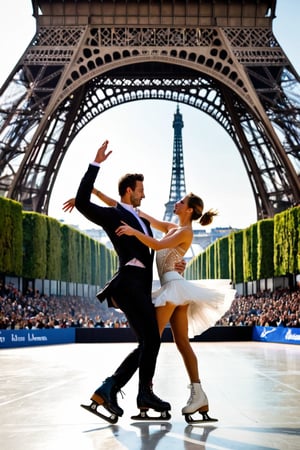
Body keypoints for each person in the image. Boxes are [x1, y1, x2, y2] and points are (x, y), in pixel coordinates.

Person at [72, 139, 185, 422]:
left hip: (138, 287)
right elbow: (84, 202)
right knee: (152, 341)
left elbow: (160, 245)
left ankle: (110, 389)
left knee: (149, 342)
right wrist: (95, 164)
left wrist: (176, 261)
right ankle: (138, 392)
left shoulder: (141, 219)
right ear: (128, 191)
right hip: (129, 285)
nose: (143, 195)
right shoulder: (113, 216)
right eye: (140, 191)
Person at [115, 193, 236, 421]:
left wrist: (133, 232)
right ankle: (199, 396)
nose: (177, 203)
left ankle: (146, 393)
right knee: (182, 343)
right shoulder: (173, 227)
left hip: (173, 289)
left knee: (151, 340)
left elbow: (157, 244)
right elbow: (142, 215)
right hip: (174, 288)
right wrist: (100, 196)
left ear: (189, 210)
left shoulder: (185, 232)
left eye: (181, 202)